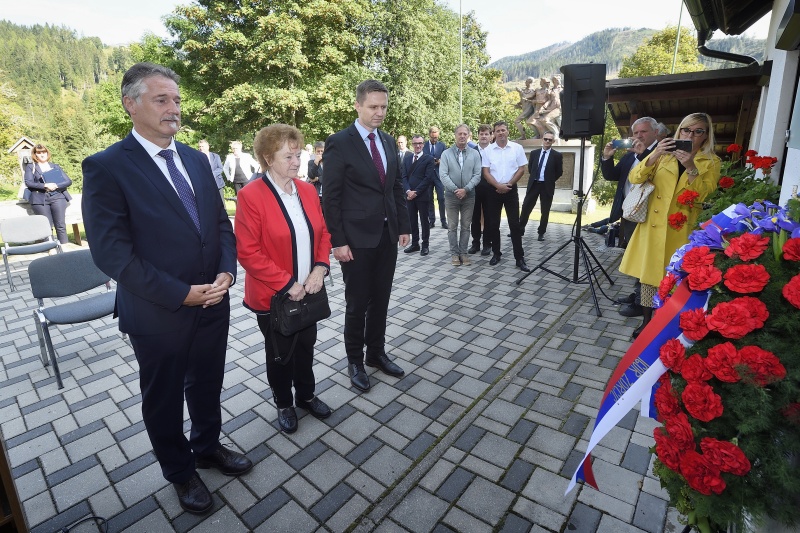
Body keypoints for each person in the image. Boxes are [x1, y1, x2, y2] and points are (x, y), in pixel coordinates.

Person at [81, 62, 251, 515]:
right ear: (130, 104)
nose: (173, 108)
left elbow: (219, 225)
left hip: (213, 301)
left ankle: (207, 446)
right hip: (159, 312)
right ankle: (180, 472)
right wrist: (181, 292)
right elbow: (112, 254)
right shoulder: (106, 168)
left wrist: (227, 272)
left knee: (208, 383)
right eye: (161, 99)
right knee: (164, 397)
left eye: (176, 99)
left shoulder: (197, 159)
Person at [235, 124, 332, 434]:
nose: (296, 161)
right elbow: (248, 252)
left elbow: (324, 232)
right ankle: (283, 403)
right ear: (267, 158)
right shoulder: (251, 195)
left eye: (298, 154)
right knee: (280, 353)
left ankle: (306, 395)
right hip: (275, 296)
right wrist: (288, 284)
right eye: (288, 156)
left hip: (310, 289)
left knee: (306, 346)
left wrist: (319, 268)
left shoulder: (306, 189)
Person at [322, 79, 411, 393]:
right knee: (358, 302)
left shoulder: (387, 141)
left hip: (387, 237)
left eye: (384, 107)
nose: (379, 112)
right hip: (355, 240)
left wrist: (403, 226)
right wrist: (337, 240)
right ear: (358, 105)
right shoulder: (339, 142)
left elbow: (396, 187)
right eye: (373, 106)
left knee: (382, 299)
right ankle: (355, 361)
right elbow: (330, 197)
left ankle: (376, 353)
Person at [620, 112, 721, 339]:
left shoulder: (712, 161)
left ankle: (667, 322)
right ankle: (647, 322)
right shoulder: (664, 155)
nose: (691, 135)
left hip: (681, 228)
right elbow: (636, 178)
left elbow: (705, 194)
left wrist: (691, 167)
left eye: (698, 131)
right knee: (648, 279)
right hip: (653, 226)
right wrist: (654, 154)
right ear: (679, 131)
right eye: (686, 130)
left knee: (676, 279)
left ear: (706, 136)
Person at [592, 117, 660, 319]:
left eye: (644, 132)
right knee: (634, 256)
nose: (638, 136)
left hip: (650, 216)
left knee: (645, 258)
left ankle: (643, 302)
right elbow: (612, 175)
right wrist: (606, 157)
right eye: (636, 133)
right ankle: (638, 294)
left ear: (656, 133)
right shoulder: (631, 155)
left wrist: (645, 155)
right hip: (630, 214)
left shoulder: (662, 154)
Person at [481, 121, 530, 272]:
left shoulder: (517, 148)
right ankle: (496, 253)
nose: (501, 133)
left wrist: (508, 185)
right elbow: (486, 172)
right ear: (494, 134)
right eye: (498, 131)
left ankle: (519, 258)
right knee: (493, 224)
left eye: (503, 130)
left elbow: (521, 169)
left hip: (511, 190)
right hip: (493, 190)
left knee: (515, 225)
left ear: (508, 132)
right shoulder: (488, 150)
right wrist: (498, 186)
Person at [440, 124, 482, 266]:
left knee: (465, 226)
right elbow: (443, 175)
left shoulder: (475, 154)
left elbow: (477, 174)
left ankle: (463, 253)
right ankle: (454, 254)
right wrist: (456, 190)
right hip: (451, 197)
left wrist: (466, 189)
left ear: (469, 135)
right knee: (452, 227)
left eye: (465, 134)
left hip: (469, 196)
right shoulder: (446, 154)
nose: (462, 136)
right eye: (460, 134)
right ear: (455, 135)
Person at [23, 143, 72, 244]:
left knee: (61, 225)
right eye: (39, 153)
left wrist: (56, 186)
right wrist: (45, 185)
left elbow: (68, 181)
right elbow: (28, 182)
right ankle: (51, 249)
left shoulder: (55, 166)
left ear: (47, 153)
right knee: (46, 226)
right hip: (40, 199)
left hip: (58, 197)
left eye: (44, 152)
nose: (42, 154)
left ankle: (64, 248)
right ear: (35, 154)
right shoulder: (31, 166)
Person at [518, 131, 563, 241]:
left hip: (547, 186)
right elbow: (530, 168)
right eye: (545, 139)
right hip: (534, 184)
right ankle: (520, 229)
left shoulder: (557, 155)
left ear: (553, 141)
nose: (547, 141)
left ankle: (541, 232)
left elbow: (559, 172)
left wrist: (549, 180)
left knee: (545, 210)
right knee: (526, 207)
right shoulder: (534, 153)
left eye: (550, 140)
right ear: (542, 139)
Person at [402, 135, 435, 256]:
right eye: (415, 143)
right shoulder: (407, 158)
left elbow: (428, 178)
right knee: (412, 220)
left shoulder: (429, 159)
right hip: (409, 196)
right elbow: (403, 176)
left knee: (424, 221)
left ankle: (425, 244)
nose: (418, 146)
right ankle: (415, 243)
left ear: (423, 144)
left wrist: (416, 192)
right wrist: (408, 191)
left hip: (422, 196)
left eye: (420, 143)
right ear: (412, 144)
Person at [468, 124, 494, 256]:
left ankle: (487, 244)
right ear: (477, 136)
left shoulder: (495, 151)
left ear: (491, 136)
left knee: (489, 217)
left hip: (491, 190)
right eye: (481, 134)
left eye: (486, 134)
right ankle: (475, 243)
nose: (484, 136)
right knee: (475, 217)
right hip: (474, 189)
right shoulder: (471, 151)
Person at [424, 126, 448, 229]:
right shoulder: (424, 145)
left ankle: (443, 221)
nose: (435, 138)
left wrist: (440, 161)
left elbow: (447, 159)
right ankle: (431, 220)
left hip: (439, 175)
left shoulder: (442, 145)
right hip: (428, 176)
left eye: (436, 135)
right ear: (429, 134)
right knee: (429, 199)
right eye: (433, 135)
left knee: (441, 199)